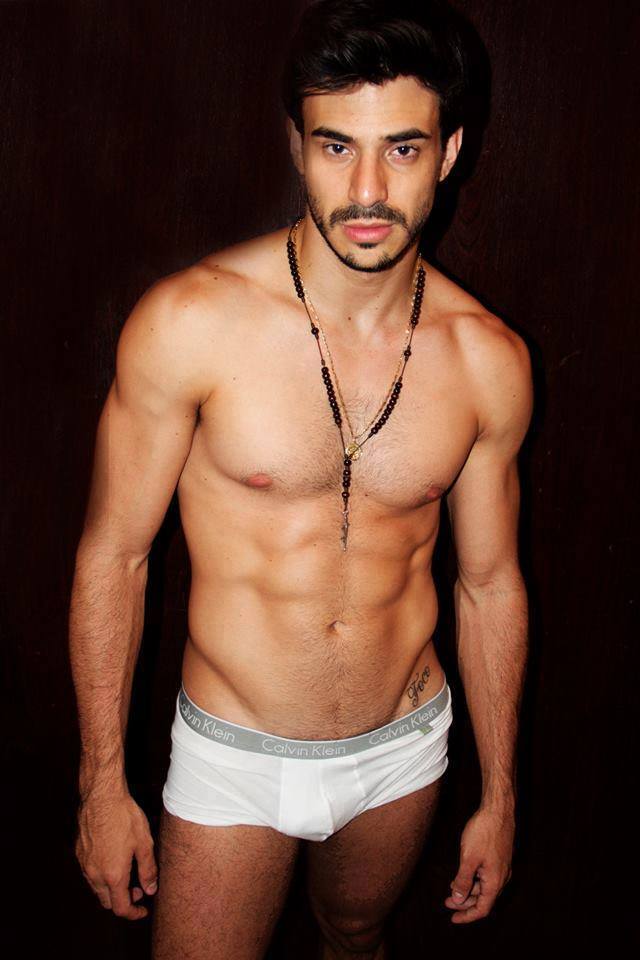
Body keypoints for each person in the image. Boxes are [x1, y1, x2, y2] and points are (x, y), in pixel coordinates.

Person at [69, 1, 533, 957]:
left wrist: (501, 795)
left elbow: (489, 585)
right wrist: (100, 783)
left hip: (403, 747)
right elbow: (114, 558)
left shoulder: (488, 362)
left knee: (355, 938)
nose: (367, 188)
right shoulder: (189, 325)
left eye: (402, 149)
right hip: (234, 753)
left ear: (449, 154)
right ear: (296, 145)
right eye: (336, 146)